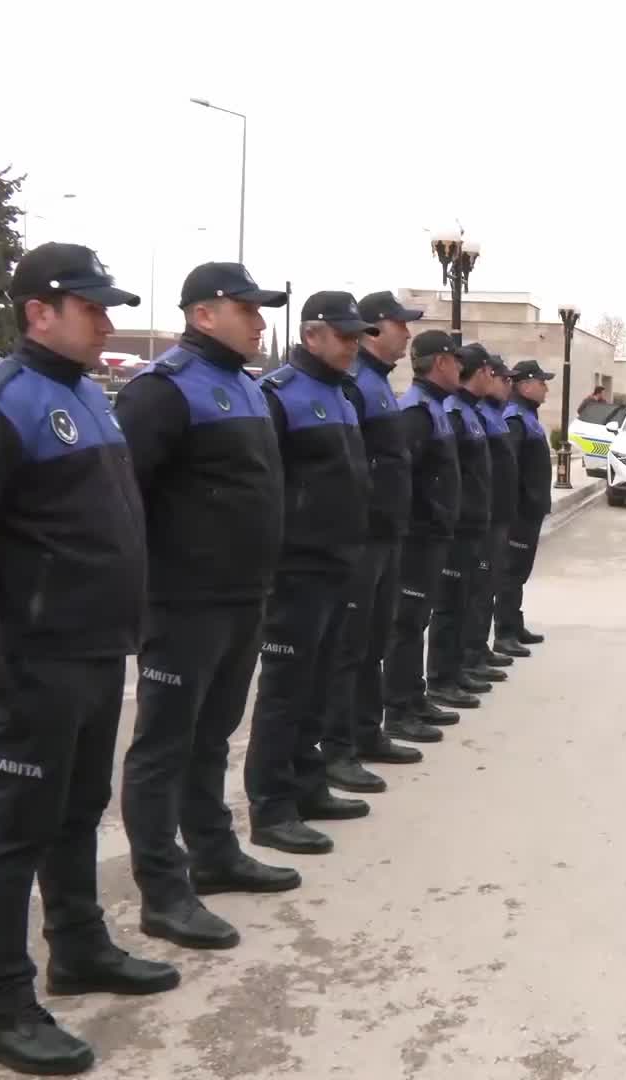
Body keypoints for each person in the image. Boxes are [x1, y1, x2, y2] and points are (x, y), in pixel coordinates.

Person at [0, 244, 177, 1074]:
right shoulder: (1, 406)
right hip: (33, 659)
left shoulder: (88, 395)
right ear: (38, 311)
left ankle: (79, 945)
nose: (107, 323)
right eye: (91, 308)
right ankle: (3, 1004)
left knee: (77, 811)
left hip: (94, 649)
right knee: (12, 833)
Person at [116, 261, 295, 953]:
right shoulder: (163, 392)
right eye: (247, 309)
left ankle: (214, 853)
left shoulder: (245, 390)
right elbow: (125, 500)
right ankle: (163, 891)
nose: (259, 321)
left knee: (212, 736)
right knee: (164, 746)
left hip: (243, 595)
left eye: (262, 310)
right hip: (182, 602)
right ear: (203, 314)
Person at [243, 292, 375, 859]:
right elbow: (267, 487)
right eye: (344, 337)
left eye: (356, 337)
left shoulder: (343, 394)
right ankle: (271, 807)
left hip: (339, 562)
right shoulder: (280, 395)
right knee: (284, 690)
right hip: (296, 569)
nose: (353, 347)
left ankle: (308, 783)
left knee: (319, 684)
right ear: (312, 334)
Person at [323, 291, 429, 769]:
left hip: (388, 534)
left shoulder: (380, 383)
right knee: (348, 648)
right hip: (361, 537)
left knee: (373, 642)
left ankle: (367, 733)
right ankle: (339, 748)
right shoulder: (355, 383)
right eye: (399, 324)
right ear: (372, 328)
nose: (407, 333)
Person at [386, 330, 470, 728]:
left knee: (417, 620)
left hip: (435, 534)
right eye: (457, 360)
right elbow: (408, 478)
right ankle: (399, 708)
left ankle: (413, 696)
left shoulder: (435, 406)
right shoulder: (416, 410)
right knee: (405, 625)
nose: (461, 368)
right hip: (418, 537)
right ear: (441, 362)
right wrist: (427, 518)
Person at [429, 344, 503, 702]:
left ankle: (457, 668)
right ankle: (442, 679)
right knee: (448, 606)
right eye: (491, 371)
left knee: (466, 600)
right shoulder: (453, 412)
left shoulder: (472, 412)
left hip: (477, 522)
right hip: (456, 527)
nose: (496, 378)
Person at [496, 361, 556, 652]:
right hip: (519, 512)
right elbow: (511, 469)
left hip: (530, 510)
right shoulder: (515, 419)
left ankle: (514, 624)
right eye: (542, 382)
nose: (546, 388)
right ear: (525, 385)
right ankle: (504, 633)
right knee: (510, 572)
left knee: (519, 571)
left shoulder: (526, 415)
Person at [467, 358, 519, 674]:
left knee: (487, 586)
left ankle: (477, 650)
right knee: (473, 592)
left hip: (497, 515)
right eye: (503, 378)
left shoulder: (493, 415)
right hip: (481, 519)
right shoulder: (473, 414)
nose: (507, 384)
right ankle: (466, 657)